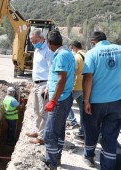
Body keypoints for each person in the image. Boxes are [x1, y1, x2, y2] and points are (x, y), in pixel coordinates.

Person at [82, 31, 121, 169]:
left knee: (92, 130)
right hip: (116, 101)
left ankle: (89, 155)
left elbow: (88, 78)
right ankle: (108, 166)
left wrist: (86, 101)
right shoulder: (119, 49)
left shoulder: (92, 53)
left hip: (96, 102)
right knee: (110, 136)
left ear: (93, 42)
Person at [42, 30, 75, 170]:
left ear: (49, 43)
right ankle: (57, 157)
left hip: (60, 100)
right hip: (65, 98)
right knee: (59, 130)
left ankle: (51, 163)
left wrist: (53, 100)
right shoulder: (67, 53)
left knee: (49, 133)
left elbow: (61, 79)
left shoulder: (61, 56)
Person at [25, 28, 53, 145]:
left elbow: (52, 69)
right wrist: (33, 81)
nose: (33, 44)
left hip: (44, 84)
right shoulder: (37, 51)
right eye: (31, 41)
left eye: (35, 41)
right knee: (36, 109)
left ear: (42, 38)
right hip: (36, 83)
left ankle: (42, 137)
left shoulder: (48, 50)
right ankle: (38, 130)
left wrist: (48, 86)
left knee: (43, 111)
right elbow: (37, 68)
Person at [67, 41, 85, 137]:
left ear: (74, 47)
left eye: (71, 48)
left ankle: (72, 122)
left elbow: (73, 73)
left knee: (65, 104)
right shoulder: (87, 55)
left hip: (76, 87)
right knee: (82, 111)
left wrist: (70, 86)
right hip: (85, 87)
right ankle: (82, 131)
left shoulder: (76, 57)